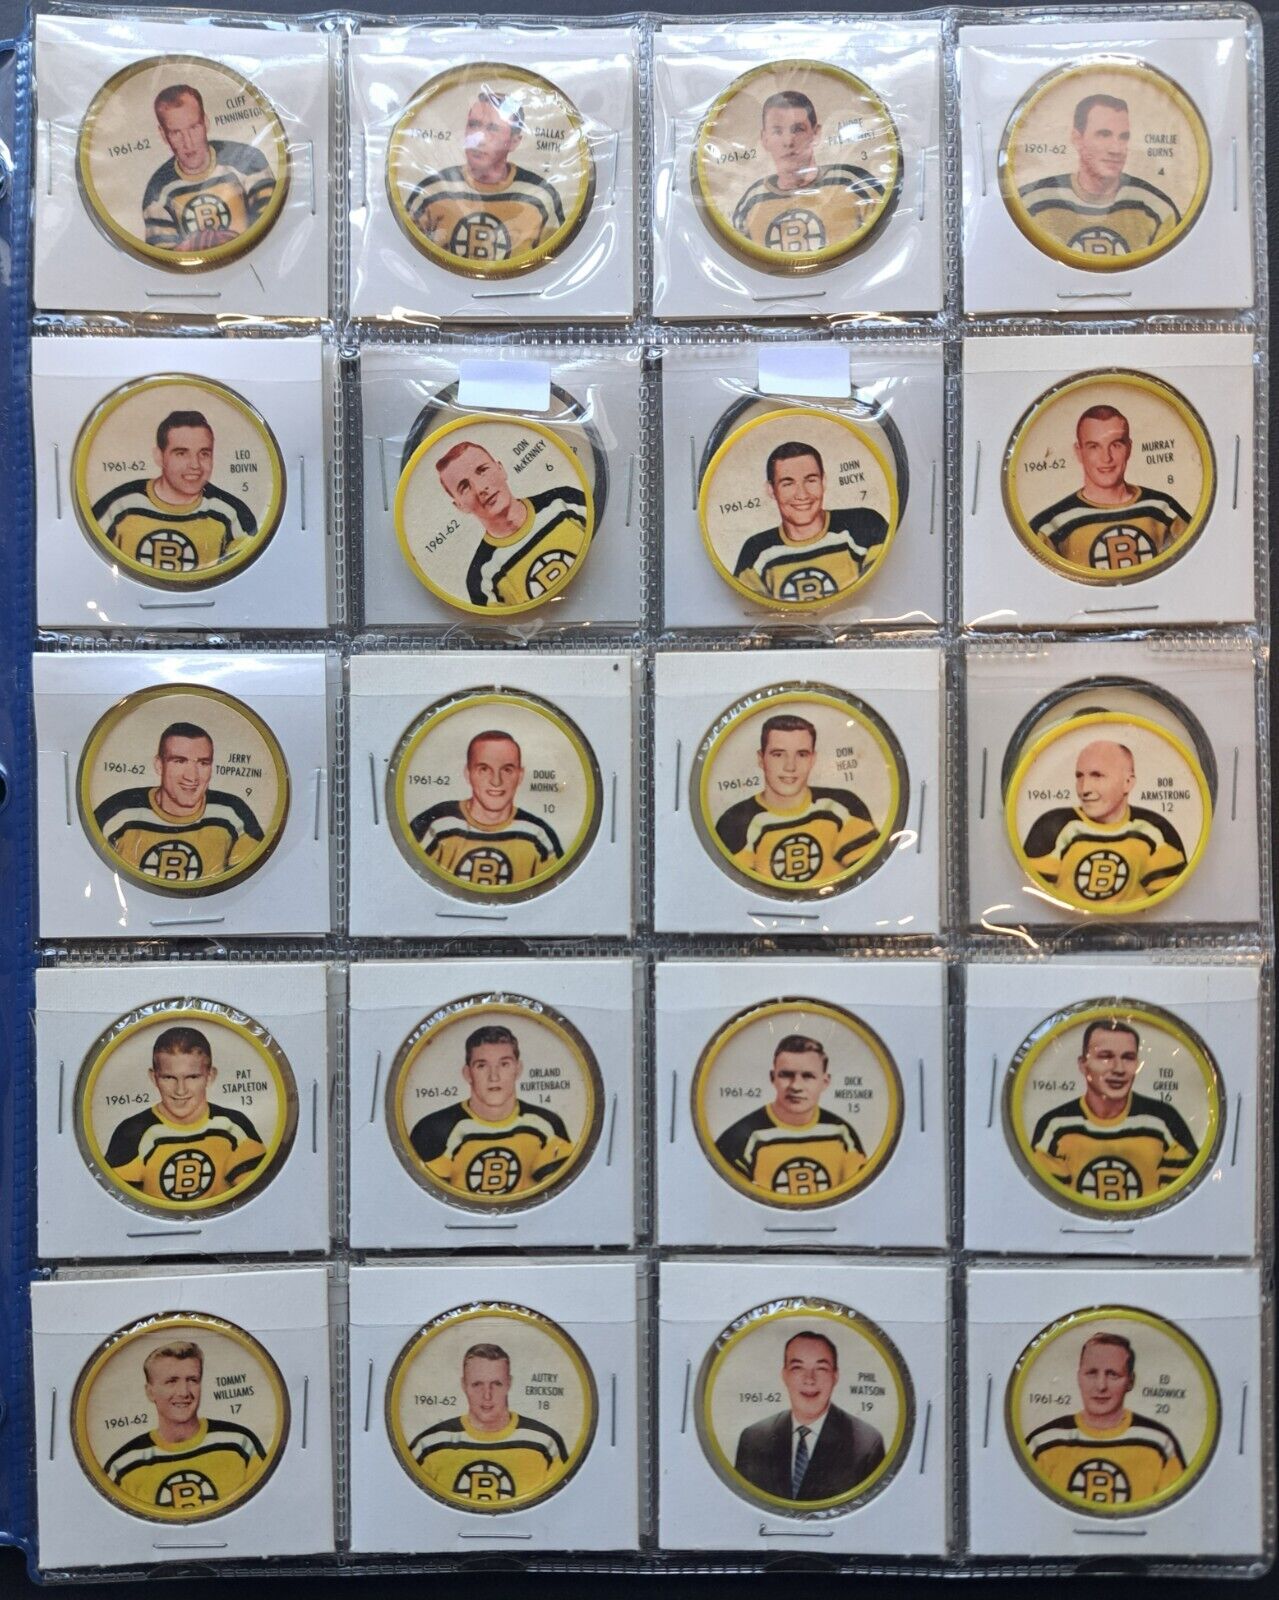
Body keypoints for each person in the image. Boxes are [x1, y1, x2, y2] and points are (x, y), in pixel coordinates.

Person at [1028, 1018, 1200, 1205]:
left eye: (1128, 1057)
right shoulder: (1054, 1126)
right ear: (1083, 1064)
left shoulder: (1164, 1120)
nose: (1119, 1069)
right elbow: (1047, 1203)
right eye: (1105, 1056)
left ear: (1137, 1064)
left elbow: (1187, 1200)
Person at [102, 1024, 269, 1205]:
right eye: (169, 1077)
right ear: (154, 1077)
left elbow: (259, 1200)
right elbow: (114, 1206)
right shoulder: (131, 1133)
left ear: (210, 1076)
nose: (180, 1090)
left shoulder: (234, 1126)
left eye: (192, 1077)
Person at [409, 1022, 575, 1198]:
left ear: (518, 1069)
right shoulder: (432, 1130)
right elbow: (422, 1201)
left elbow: (562, 1198)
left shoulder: (547, 1124)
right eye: (482, 1065)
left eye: (504, 1064)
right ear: (468, 1073)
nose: (494, 1077)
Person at [714, 712, 879, 888]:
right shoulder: (734, 823)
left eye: (802, 754)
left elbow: (875, 878)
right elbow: (733, 892)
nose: (790, 766)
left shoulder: (842, 805)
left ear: (813, 759)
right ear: (761, 759)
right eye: (778, 754)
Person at [1024, 1331, 1187, 1506]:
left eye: (1113, 1374)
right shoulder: (1042, 1443)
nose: (1101, 1386)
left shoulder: (1159, 1444)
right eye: (1091, 1373)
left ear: (1130, 1381)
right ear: (1079, 1377)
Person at [103, 1340, 268, 1513]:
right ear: (150, 1392)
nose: (184, 1392)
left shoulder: (240, 1445)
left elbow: (263, 1511)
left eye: (192, 1380)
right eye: (171, 1381)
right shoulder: (123, 1466)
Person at [405, 87, 566, 265]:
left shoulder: (540, 197)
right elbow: (408, 257)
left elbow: (555, 264)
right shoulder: (430, 191)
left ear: (514, 142)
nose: (479, 138)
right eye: (473, 124)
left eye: (493, 128)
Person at [1020, 738, 1188, 907]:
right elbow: (1032, 902)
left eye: (1097, 776)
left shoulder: (1155, 830)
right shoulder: (1052, 828)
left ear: (1127, 783)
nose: (1084, 789)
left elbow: (1172, 905)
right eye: (1079, 776)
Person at [93, 720, 265, 885]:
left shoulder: (233, 812)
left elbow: (250, 882)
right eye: (179, 761)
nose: (192, 776)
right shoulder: (117, 812)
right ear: (159, 765)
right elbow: (92, 872)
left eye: (203, 763)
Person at [90, 410, 260, 576]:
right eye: (181, 453)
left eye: (204, 453)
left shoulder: (231, 513)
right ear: (159, 456)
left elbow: (250, 577)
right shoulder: (119, 505)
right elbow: (89, 564)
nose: (195, 465)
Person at [1028, 404, 1192, 573]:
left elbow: (1197, 564)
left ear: (1129, 448)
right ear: (1079, 451)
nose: (1106, 458)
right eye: (1094, 446)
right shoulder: (1050, 526)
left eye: (1116, 445)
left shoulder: (1163, 509)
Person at [1016, 93, 1181, 259]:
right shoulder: (1031, 204)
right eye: (1103, 135)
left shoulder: (1158, 210)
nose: (1116, 149)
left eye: (1124, 137)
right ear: (1077, 139)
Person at [431, 438, 589, 608]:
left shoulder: (565, 501)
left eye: (482, 470)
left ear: (501, 469)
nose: (481, 488)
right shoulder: (482, 579)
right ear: (460, 506)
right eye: (464, 487)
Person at [409, 1342, 570, 1504]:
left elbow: (563, 1506)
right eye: (477, 1384)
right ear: (464, 1385)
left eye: (496, 1384)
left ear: (509, 1383)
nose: (487, 1395)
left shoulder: (546, 1444)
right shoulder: (428, 1445)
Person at [733, 1330, 885, 1501]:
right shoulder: (753, 1439)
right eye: (797, 1368)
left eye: (821, 1369)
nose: (809, 1379)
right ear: (784, 1375)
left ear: (835, 1376)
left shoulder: (866, 1444)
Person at [730, 89, 886, 255]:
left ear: (816, 134)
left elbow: (888, 239)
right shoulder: (752, 201)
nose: (788, 141)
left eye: (798, 129)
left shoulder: (854, 184)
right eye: (777, 131)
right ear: (764, 139)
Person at [732, 440, 889, 605]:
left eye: (811, 480)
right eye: (788, 483)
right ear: (771, 490)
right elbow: (754, 610)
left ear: (823, 482)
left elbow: (883, 592)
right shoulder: (756, 551)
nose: (802, 494)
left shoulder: (864, 525)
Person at [713, 1033, 868, 1200]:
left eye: (808, 1076)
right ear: (772, 1078)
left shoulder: (841, 1132)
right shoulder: (739, 1138)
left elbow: (859, 1199)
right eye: (786, 1075)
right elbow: (726, 1202)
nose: (796, 1086)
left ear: (825, 1082)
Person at [409, 729, 564, 889]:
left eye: (507, 770)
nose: (496, 781)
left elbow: (557, 894)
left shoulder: (539, 835)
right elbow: (406, 882)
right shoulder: (436, 824)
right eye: (484, 769)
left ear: (520, 775)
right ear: (468, 774)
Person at [141, 83, 276, 253]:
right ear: (163, 134)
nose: (188, 142)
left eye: (194, 127)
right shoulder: (157, 191)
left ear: (206, 122)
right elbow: (165, 257)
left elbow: (273, 230)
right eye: (176, 133)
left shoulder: (248, 162)